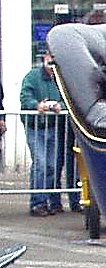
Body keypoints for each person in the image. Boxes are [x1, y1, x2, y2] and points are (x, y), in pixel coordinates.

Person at [20, 53, 73, 216]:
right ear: (45, 58)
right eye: (50, 62)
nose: (51, 66)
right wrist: (37, 105)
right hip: (35, 127)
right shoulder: (32, 76)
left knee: (52, 166)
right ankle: (38, 203)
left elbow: (69, 99)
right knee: (41, 164)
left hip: (54, 127)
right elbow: (25, 97)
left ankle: (49, 201)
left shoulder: (61, 78)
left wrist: (59, 106)